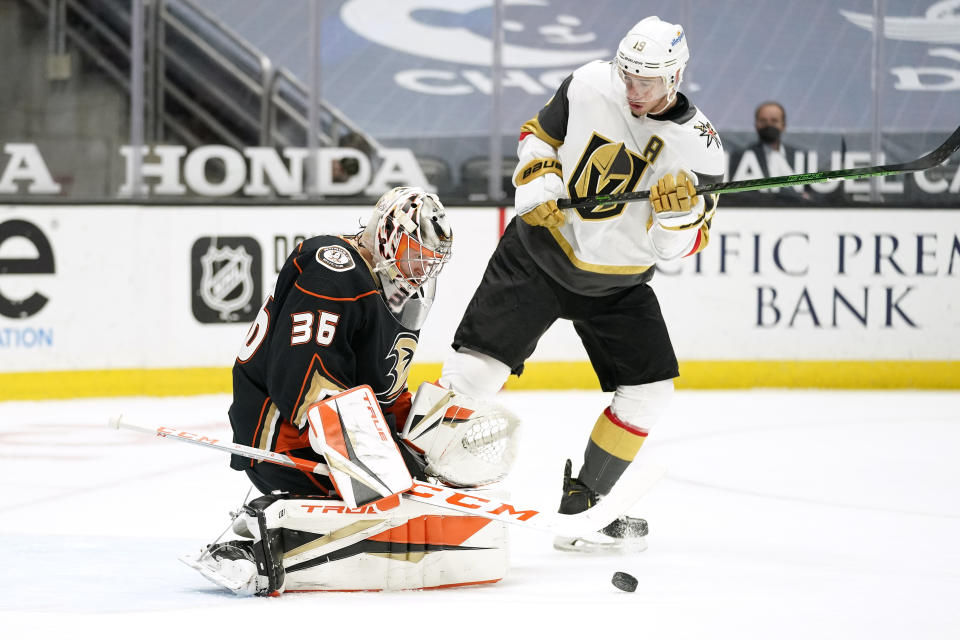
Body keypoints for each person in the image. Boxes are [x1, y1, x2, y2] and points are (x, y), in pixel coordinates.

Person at [439, 16, 724, 553]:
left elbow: (682, 247)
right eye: (629, 75)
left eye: (650, 80)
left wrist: (678, 221)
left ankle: (587, 503)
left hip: (618, 285)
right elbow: (537, 136)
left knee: (650, 395)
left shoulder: (702, 151)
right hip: (536, 257)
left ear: (677, 75)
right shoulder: (590, 82)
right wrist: (540, 180)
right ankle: (411, 488)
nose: (635, 90)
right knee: (473, 376)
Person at [182, 187, 517, 595]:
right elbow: (306, 383)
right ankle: (257, 539)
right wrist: (380, 462)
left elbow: (385, 389)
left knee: (417, 466)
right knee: (386, 495)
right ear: (387, 235)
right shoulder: (334, 268)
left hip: (336, 424)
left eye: (430, 261)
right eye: (416, 253)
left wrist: (422, 440)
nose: (421, 269)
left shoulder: (401, 292)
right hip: (281, 432)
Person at [727, 101, 814, 202]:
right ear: (756, 125)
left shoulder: (799, 157)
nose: (768, 125)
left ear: (783, 125)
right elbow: (735, 194)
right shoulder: (741, 157)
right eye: (763, 121)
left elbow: (812, 193)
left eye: (774, 121)